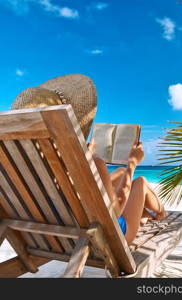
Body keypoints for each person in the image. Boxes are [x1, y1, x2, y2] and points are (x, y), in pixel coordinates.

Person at [12, 74, 167, 245]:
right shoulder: (91, 164)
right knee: (140, 182)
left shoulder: (16, 166)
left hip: (49, 237)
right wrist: (132, 163)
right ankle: (160, 214)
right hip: (103, 239)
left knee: (119, 172)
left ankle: (143, 215)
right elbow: (114, 212)